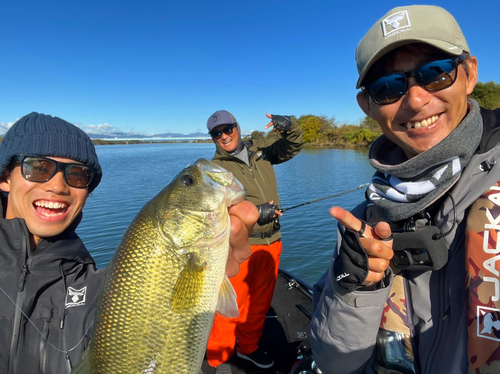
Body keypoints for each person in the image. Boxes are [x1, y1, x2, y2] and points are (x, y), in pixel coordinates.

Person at [309, 5, 500, 374]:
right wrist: (355, 289)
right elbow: (334, 363)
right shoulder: (364, 223)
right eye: (388, 88)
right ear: (368, 106)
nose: (415, 100)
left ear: (469, 74)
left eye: (435, 74)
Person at [0, 112, 258, 374]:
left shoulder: (99, 292)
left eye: (77, 175)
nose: (57, 186)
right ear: (5, 177)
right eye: (38, 168)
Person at [205, 110, 303, 369]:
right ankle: (218, 358)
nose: (224, 136)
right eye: (217, 133)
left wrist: (290, 126)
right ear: (212, 138)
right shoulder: (214, 169)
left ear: (237, 127)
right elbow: (212, 211)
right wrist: (255, 213)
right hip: (240, 247)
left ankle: (248, 347)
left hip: (273, 241)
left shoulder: (262, 151)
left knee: (259, 305)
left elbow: (293, 146)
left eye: (227, 129)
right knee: (229, 307)